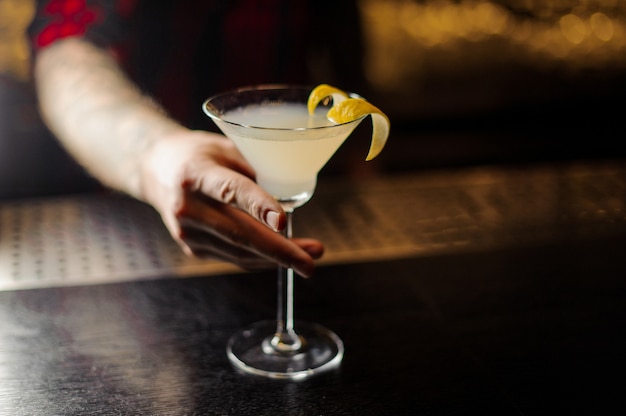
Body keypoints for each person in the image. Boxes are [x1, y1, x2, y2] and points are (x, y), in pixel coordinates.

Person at [27, 0, 366, 278]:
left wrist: (362, 167)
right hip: (133, 226)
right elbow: (66, 54)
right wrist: (155, 154)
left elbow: (347, 52)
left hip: (297, 192)